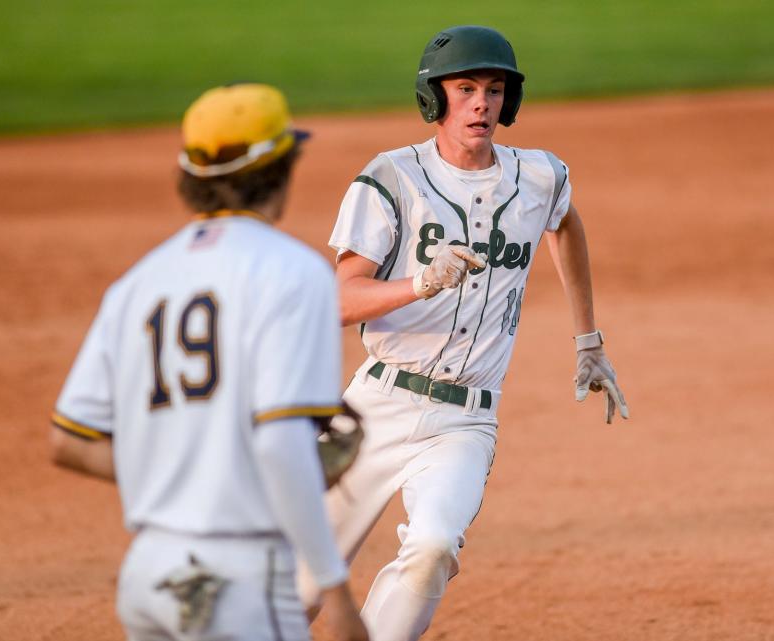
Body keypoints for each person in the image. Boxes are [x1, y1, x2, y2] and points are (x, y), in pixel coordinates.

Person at [297, 25, 629, 641]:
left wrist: (589, 339)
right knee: (300, 587)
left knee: (432, 548)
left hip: (464, 421)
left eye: (495, 90)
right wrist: (418, 283)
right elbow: (338, 299)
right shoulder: (391, 179)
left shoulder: (538, 177)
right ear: (436, 98)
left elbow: (566, 226)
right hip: (377, 406)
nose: (481, 103)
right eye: (466, 88)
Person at [49, 84, 369, 641]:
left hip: (148, 574)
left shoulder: (138, 282)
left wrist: (185, 472)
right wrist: (333, 589)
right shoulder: (293, 272)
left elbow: (69, 441)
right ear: (284, 167)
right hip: (237, 580)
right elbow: (279, 441)